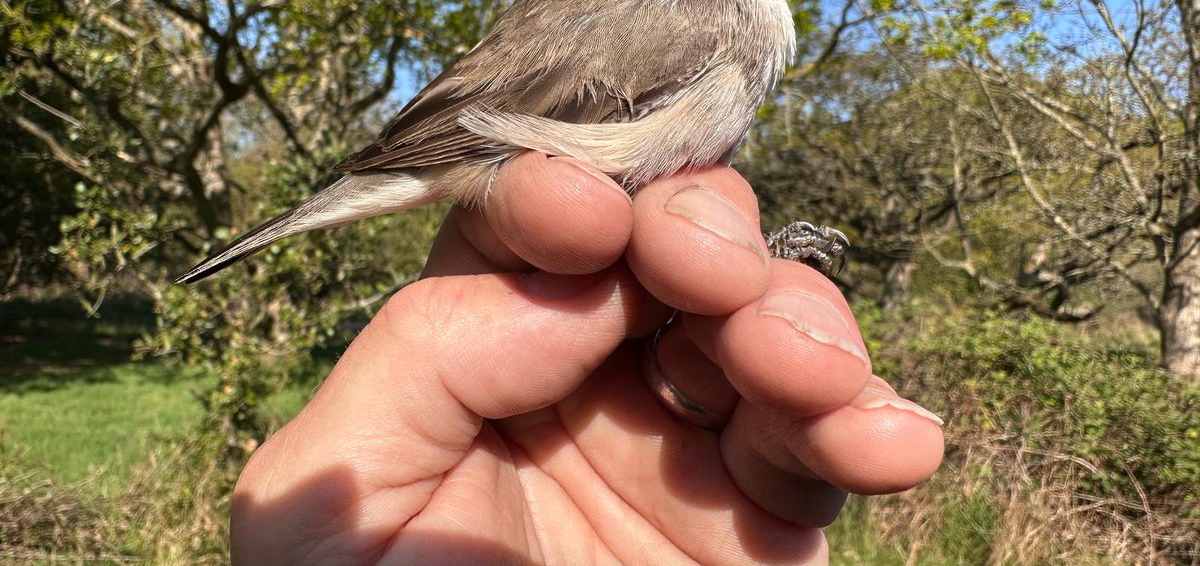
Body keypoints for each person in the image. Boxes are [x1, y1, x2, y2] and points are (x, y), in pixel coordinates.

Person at [229, 154, 945, 564]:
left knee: (682, 252)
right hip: (499, 164)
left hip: (616, 270)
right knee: (634, 235)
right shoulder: (701, 15)